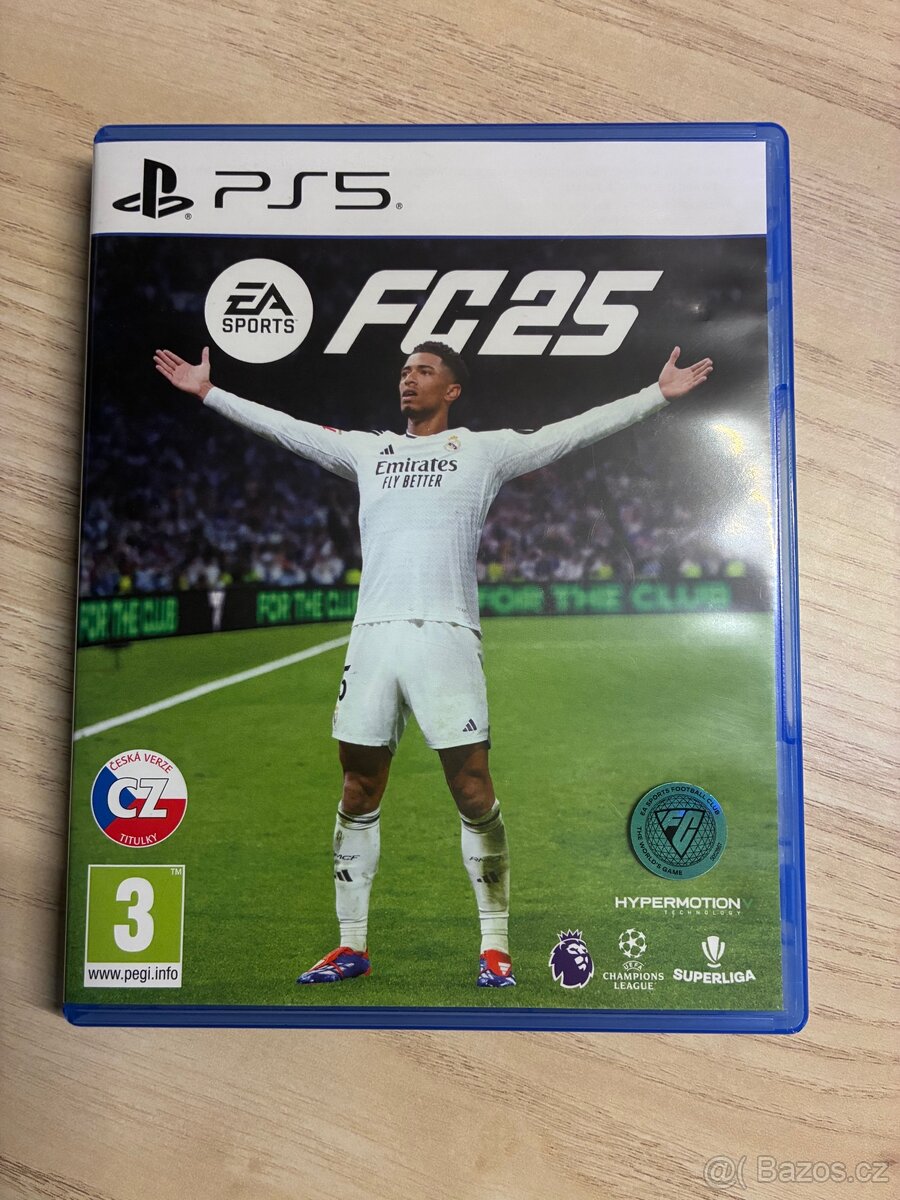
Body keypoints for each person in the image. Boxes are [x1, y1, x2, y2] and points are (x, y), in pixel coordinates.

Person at [153, 341, 712, 988]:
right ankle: (351, 945)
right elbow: (289, 430)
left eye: (423, 371)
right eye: (403, 371)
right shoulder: (368, 450)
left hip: (447, 635)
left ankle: (495, 945)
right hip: (373, 637)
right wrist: (210, 393)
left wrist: (655, 395)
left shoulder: (483, 451)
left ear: (452, 390)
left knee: (472, 788)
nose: (408, 380)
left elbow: (569, 433)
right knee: (357, 788)